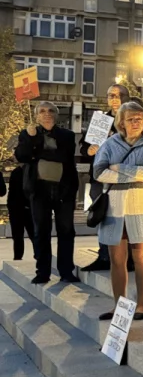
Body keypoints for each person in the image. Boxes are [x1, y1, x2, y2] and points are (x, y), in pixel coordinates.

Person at [93, 101, 143, 320]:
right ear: (121, 122)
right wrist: (133, 173)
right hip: (115, 207)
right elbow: (99, 173)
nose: (135, 123)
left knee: (141, 255)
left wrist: (120, 169)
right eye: (131, 119)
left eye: (139, 119)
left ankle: (141, 305)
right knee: (117, 258)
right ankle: (119, 306)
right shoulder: (109, 144)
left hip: (142, 206)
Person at [16, 102, 80, 284]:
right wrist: (32, 139)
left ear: (57, 115)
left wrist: (38, 152)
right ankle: (42, 272)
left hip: (64, 191)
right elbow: (22, 156)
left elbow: (62, 156)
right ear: (36, 115)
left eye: (51, 110)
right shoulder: (27, 134)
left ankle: (66, 271)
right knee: (40, 232)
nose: (47, 114)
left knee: (66, 231)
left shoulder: (67, 135)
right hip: (39, 191)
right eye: (42, 111)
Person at [81, 84, 131, 272]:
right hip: (101, 178)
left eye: (119, 95)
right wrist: (88, 149)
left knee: (126, 219)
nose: (114, 99)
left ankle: (130, 259)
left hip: (125, 177)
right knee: (101, 217)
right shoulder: (101, 121)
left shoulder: (134, 118)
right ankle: (104, 256)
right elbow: (83, 147)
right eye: (111, 96)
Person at [7, 164, 31, 262]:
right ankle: (18, 256)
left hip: (21, 208)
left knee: (21, 235)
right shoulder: (16, 172)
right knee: (18, 236)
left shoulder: (19, 172)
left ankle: (18, 257)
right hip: (19, 208)